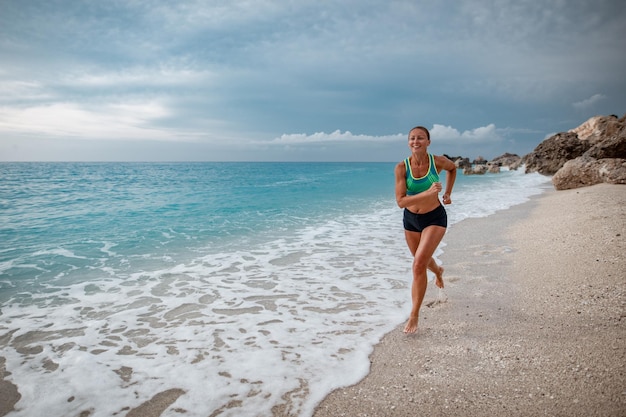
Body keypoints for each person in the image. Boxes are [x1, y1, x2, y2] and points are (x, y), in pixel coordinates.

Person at [394, 125, 457, 334]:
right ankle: (438, 271)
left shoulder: (437, 162)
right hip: (410, 219)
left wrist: (447, 193)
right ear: (408, 142)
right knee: (422, 261)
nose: (415, 141)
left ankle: (414, 315)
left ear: (428, 142)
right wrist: (429, 192)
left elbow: (453, 168)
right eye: (412, 138)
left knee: (418, 265)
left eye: (420, 138)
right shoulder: (402, 168)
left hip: (434, 217)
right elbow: (401, 202)